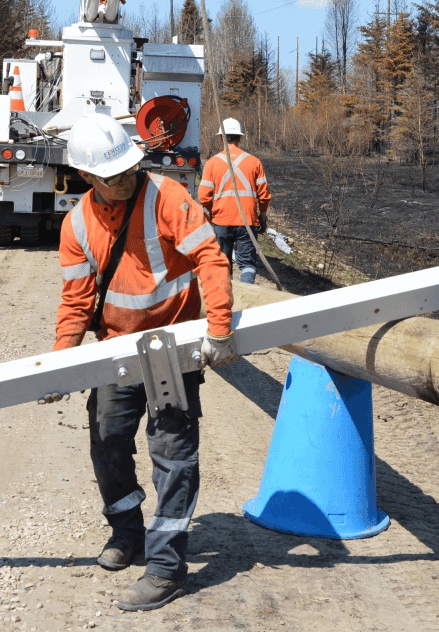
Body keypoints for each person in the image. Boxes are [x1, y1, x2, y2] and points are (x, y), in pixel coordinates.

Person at [53, 113, 239, 611]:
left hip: (171, 351)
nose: (126, 179)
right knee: (108, 441)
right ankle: (127, 533)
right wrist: (60, 363)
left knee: (173, 456)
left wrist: (218, 329)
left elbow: (211, 260)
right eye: (112, 176)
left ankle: (165, 568)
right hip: (116, 351)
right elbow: (75, 302)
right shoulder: (76, 224)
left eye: (130, 168)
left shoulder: (167, 198)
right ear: (87, 177)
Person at [198, 118, 271, 284]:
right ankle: (244, 301)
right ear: (240, 138)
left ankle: (226, 301)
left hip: (221, 221)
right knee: (247, 264)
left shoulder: (211, 163)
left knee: (222, 265)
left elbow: (203, 196)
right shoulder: (254, 162)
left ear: (221, 138)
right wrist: (263, 217)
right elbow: (264, 195)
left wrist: (212, 210)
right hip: (247, 221)